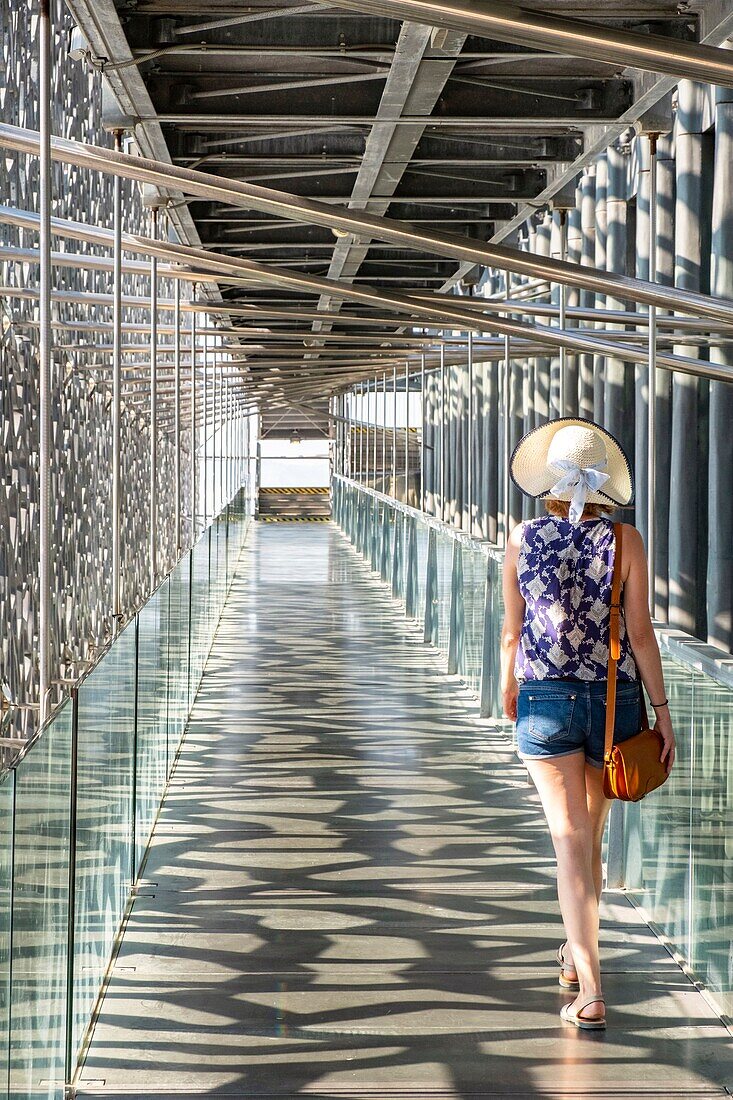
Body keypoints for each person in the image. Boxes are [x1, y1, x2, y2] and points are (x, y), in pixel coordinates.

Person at [500, 418, 676, 1030]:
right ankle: (577, 960)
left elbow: (512, 631)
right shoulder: (626, 541)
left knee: (568, 840)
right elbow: (642, 634)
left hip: (544, 700)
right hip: (612, 704)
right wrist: (662, 710)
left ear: (548, 482)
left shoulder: (521, 538)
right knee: (588, 842)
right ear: (604, 486)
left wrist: (508, 685)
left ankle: (592, 988)